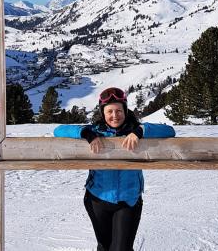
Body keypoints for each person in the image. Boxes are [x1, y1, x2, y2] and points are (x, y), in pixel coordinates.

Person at [54, 87, 175, 251]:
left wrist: (140, 131)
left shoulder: (135, 129)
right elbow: (58, 130)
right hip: (97, 198)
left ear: (125, 111)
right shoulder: (95, 131)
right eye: (109, 111)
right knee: (104, 247)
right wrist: (86, 134)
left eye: (119, 110)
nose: (114, 115)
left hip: (129, 200)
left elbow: (170, 130)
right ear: (103, 113)